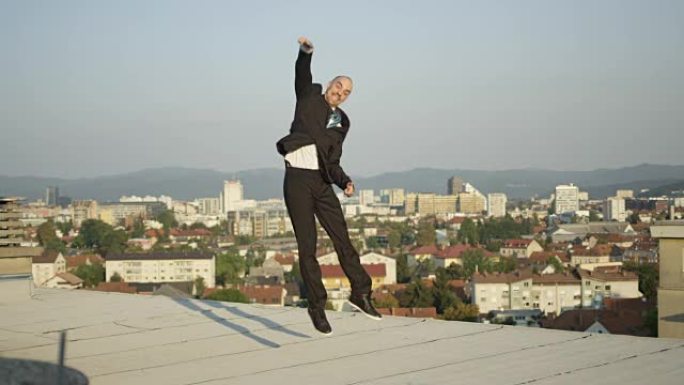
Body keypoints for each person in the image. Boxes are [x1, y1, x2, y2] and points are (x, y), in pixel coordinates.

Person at [276, 37, 381, 335]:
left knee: (343, 240)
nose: (341, 93)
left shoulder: (341, 122)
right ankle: (317, 306)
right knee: (307, 247)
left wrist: (344, 181)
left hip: (322, 183)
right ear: (330, 84)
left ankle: (361, 294)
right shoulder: (309, 96)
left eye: (346, 92)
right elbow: (302, 74)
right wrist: (305, 53)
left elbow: (332, 161)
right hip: (297, 179)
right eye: (339, 86)